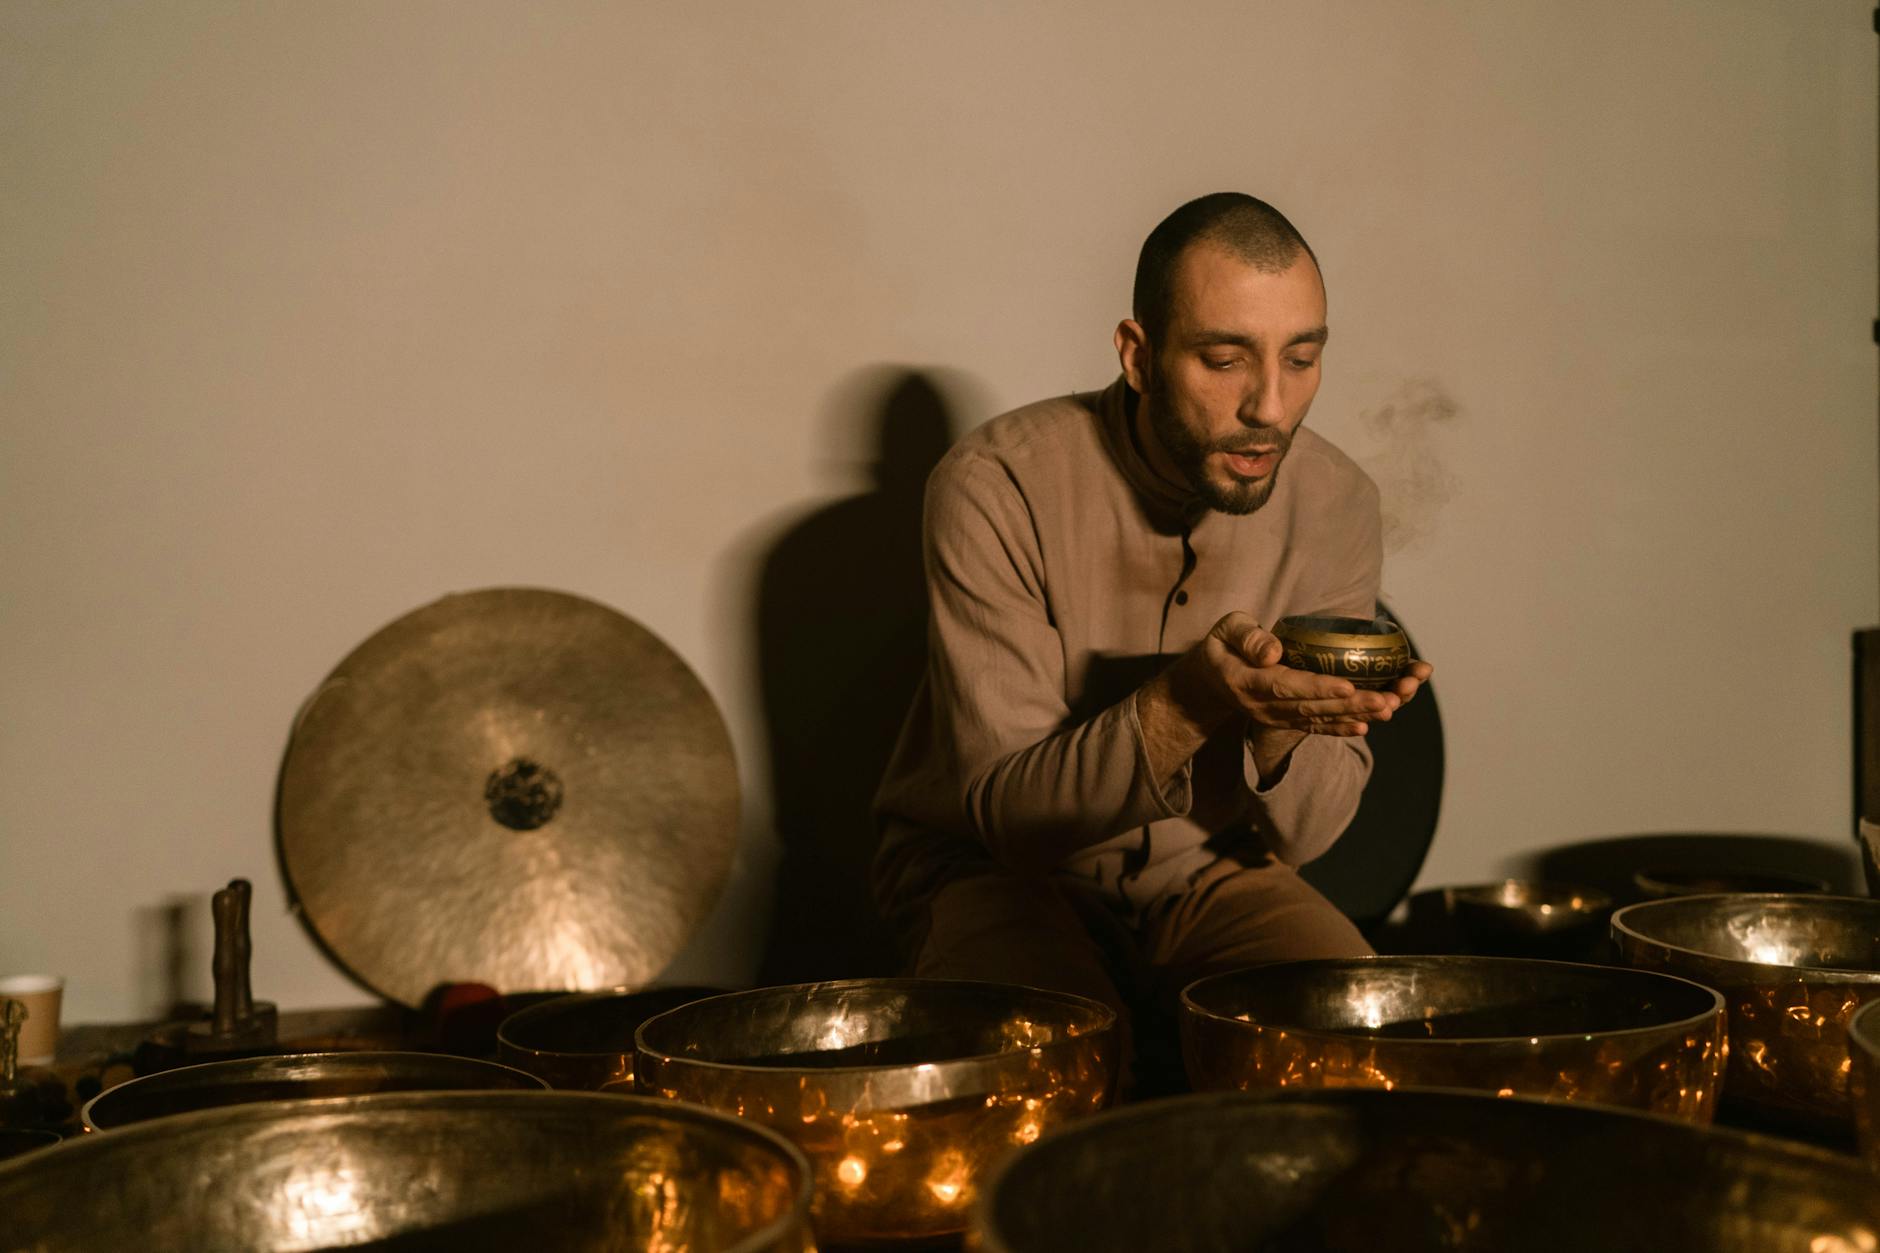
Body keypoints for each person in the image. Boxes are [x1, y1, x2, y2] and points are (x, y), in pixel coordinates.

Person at [870, 192, 1433, 1071]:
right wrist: (1193, 702)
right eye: (1223, 359)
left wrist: (1288, 717)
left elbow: (1305, 839)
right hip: (989, 870)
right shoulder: (994, 483)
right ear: (1137, 355)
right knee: (1054, 1065)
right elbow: (1009, 820)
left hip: (1209, 868)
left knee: (1361, 1044)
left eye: (1302, 359)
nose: (1271, 408)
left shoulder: (1338, 503)